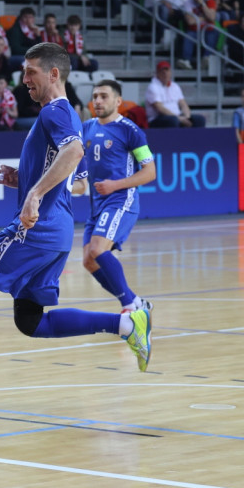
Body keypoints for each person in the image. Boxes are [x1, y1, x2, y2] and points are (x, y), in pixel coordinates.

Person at [0, 43, 152, 423]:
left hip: (36, 229)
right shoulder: (66, 114)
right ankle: (127, 323)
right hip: (55, 231)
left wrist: (33, 193)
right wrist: (22, 178)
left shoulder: (56, 111)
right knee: (31, 322)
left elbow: (74, 153)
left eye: (30, 72)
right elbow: (68, 172)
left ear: (54, 74)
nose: (23, 79)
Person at [77, 80, 156, 314]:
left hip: (121, 200)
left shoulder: (130, 131)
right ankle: (137, 302)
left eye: (103, 96)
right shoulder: (86, 128)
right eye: (95, 96)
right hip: (96, 205)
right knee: (88, 261)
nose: (98, 101)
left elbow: (150, 172)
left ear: (118, 101)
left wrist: (115, 185)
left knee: (98, 250)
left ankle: (129, 306)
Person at [145, 61, 206, 128]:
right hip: (158, 118)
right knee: (173, 121)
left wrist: (187, 117)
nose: (165, 73)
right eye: (162, 71)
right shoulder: (153, 87)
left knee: (199, 119)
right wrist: (179, 118)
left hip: (177, 116)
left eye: (167, 71)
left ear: (170, 72)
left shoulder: (175, 86)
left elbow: (183, 104)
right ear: (157, 73)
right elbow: (160, 108)